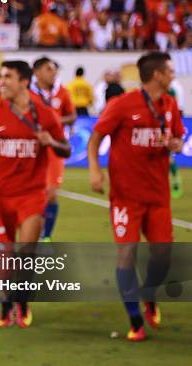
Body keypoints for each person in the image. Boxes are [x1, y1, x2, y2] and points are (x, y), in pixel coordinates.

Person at [88, 52, 184, 342]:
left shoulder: (170, 105)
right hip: (126, 198)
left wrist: (175, 144)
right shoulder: (122, 105)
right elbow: (95, 138)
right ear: (157, 74)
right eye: (169, 71)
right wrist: (95, 171)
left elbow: (179, 140)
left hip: (158, 196)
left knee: (163, 257)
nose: (172, 75)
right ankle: (134, 321)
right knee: (126, 255)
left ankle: (149, 294)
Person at [0, 60, 70, 328]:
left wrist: (52, 142)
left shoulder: (45, 114)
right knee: (2, 257)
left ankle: (22, 302)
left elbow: (66, 150)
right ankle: (5, 305)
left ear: (24, 81)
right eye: (1, 76)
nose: (1, 82)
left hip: (32, 195)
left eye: (7, 77)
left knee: (26, 254)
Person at [30, 57, 76, 241]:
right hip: (32, 147)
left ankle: (45, 236)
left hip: (54, 146)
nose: (54, 73)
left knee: (51, 193)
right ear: (37, 72)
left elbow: (72, 115)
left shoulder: (62, 92)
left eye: (55, 69)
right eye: (49, 69)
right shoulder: (28, 93)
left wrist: (55, 122)